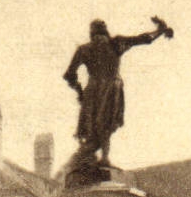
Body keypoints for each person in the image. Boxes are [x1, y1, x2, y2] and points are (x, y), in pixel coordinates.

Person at [63, 17, 173, 175]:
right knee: (106, 123)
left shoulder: (84, 49)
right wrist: (160, 30)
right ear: (105, 31)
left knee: (92, 128)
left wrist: (80, 92)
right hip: (111, 87)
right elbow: (145, 39)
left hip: (92, 90)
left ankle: (90, 158)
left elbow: (69, 75)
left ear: (91, 33)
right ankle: (103, 157)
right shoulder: (115, 43)